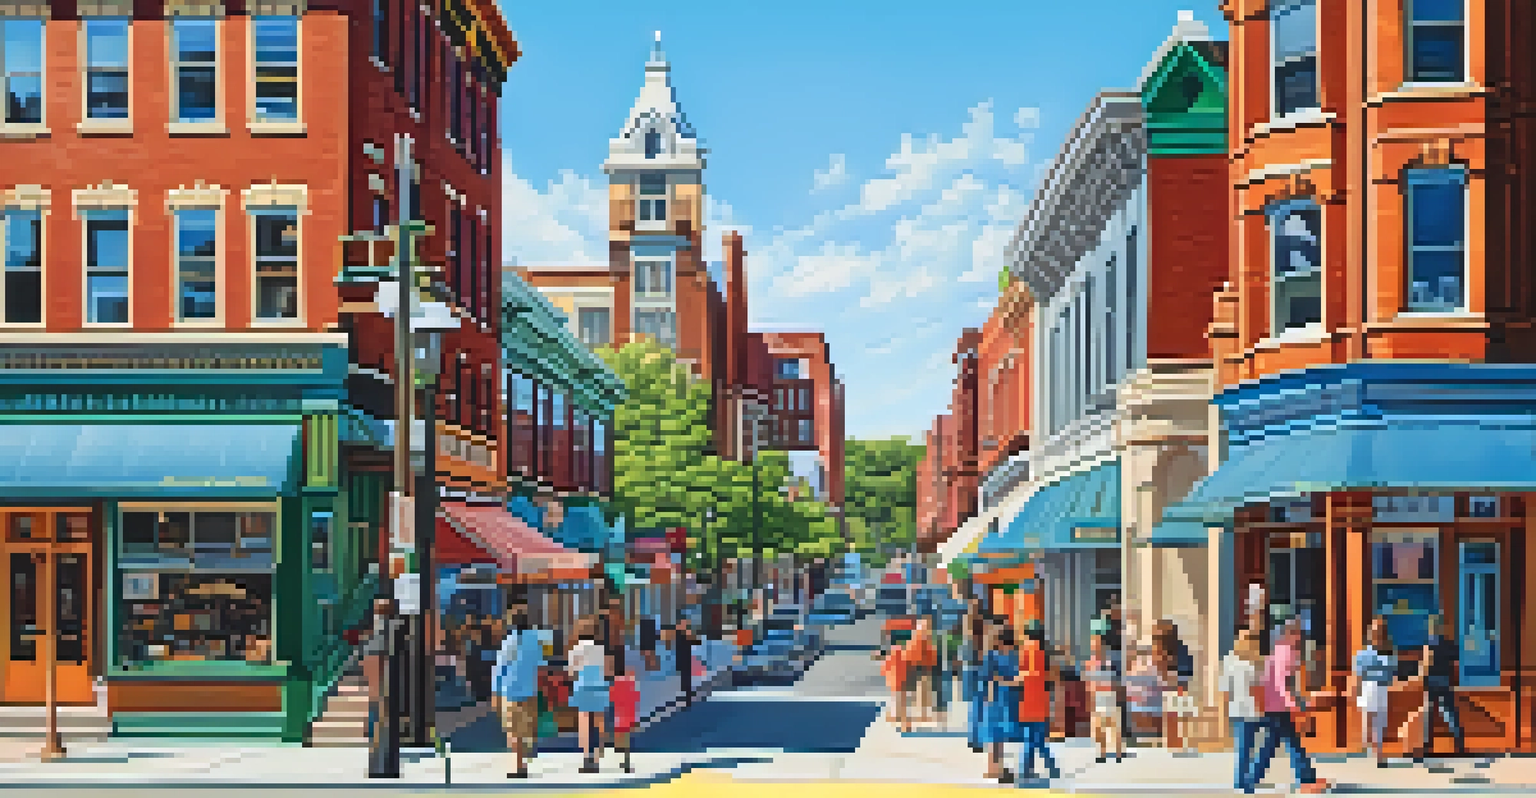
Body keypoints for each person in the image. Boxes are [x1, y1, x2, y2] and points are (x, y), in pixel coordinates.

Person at [1251, 618, 1329, 794]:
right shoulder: (1286, 653)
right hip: (1278, 705)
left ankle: (1252, 778)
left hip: (1275, 705)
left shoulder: (1281, 651)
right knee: (1292, 743)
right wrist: (1292, 703)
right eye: (1296, 633)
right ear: (1288, 634)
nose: (1299, 637)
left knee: (1271, 744)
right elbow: (1282, 682)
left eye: (1300, 633)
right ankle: (1306, 779)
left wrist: (1296, 699)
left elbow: (1285, 682)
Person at [493, 606, 546, 779]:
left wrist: (495, 693)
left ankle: (519, 766)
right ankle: (526, 752)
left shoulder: (509, 641)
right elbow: (540, 664)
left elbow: (499, 669)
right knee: (526, 727)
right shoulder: (535, 640)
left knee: (512, 730)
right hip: (530, 690)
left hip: (510, 690)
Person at [1015, 620, 1061, 784]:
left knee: (1029, 739)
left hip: (1027, 702)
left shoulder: (1026, 650)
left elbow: (1025, 673)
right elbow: (1052, 678)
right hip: (1042, 702)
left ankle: (1028, 771)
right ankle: (1050, 766)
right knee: (1038, 739)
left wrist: (1020, 678)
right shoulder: (1046, 652)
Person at [1220, 626, 1264, 793]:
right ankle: (1241, 780)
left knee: (1252, 745)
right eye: (1245, 638)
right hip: (1238, 708)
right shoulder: (1230, 660)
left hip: (1254, 708)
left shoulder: (1257, 661)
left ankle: (1247, 779)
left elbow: (1260, 686)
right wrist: (1224, 711)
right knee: (1244, 747)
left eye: (1251, 638)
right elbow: (1225, 688)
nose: (1248, 642)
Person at [1415, 617, 1466, 762]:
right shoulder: (1448, 644)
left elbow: (1426, 664)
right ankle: (1459, 743)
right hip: (1444, 680)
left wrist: (1421, 675)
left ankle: (1427, 745)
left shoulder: (1428, 645)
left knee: (1429, 714)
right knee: (1449, 713)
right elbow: (1458, 657)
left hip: (1431, 681)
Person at [363, 597, 403, 779]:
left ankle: (377, 765)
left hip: (379, 693)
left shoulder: (379, 634)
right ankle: (379, 765)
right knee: (381, 727)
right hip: (383, 694)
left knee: (377, 729)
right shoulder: (388, 633)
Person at [1350, 617, 1397, 767]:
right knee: (1378, 723)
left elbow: (1358, 675)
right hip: (1378, 688)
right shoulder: (1389, 654)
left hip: (1371, 688)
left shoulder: (1363, 655)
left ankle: (1374, 751)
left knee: (1371, 722)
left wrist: (1355, 691)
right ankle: (1378, 754)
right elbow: (1391, 676)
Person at [979, 623, 1022, 782]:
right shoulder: (1014, 657)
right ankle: (996, 767)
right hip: (1007, 698)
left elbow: (987, 678)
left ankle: (993, 768)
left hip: (997, 698)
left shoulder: (992, 655)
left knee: (994, 736)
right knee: (998, 736)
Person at [567, 617, 610, 773]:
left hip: (583, 686)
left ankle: (587, 758)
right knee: (598, 721)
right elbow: (606, 669)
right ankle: (598, 755)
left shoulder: (576, 649)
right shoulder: (600, 649)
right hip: (599, 686)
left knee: (584, 722)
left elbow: (571, 671)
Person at [1084, 632, 1124, 764]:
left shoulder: (1110, 661)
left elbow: (1117, 680)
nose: (1095, 647)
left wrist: (1117, 694)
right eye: (1093, 645)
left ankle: (1118, 752)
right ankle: (1102, 752)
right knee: (1098, 728)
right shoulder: (1089, 663)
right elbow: (1088, 682)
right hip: (1098, 697)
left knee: (1113, 725)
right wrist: (1090, 698)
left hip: (1109, 696)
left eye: (1097, 645)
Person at [961, 601, 987, 753]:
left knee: (974, 705)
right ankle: (977, 739)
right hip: (978, 669)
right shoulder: (979, 635)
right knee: (979, 705)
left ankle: (974, 738)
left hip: (969, 669)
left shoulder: (966, 635)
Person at [673, 617, 696, 706]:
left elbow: (696, 642)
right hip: (681, 657)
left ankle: (687, 696)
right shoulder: (677, 634)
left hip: (686, 658)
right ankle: (685, 694)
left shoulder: (687, 634)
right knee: (683, 677)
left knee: (686, 677)